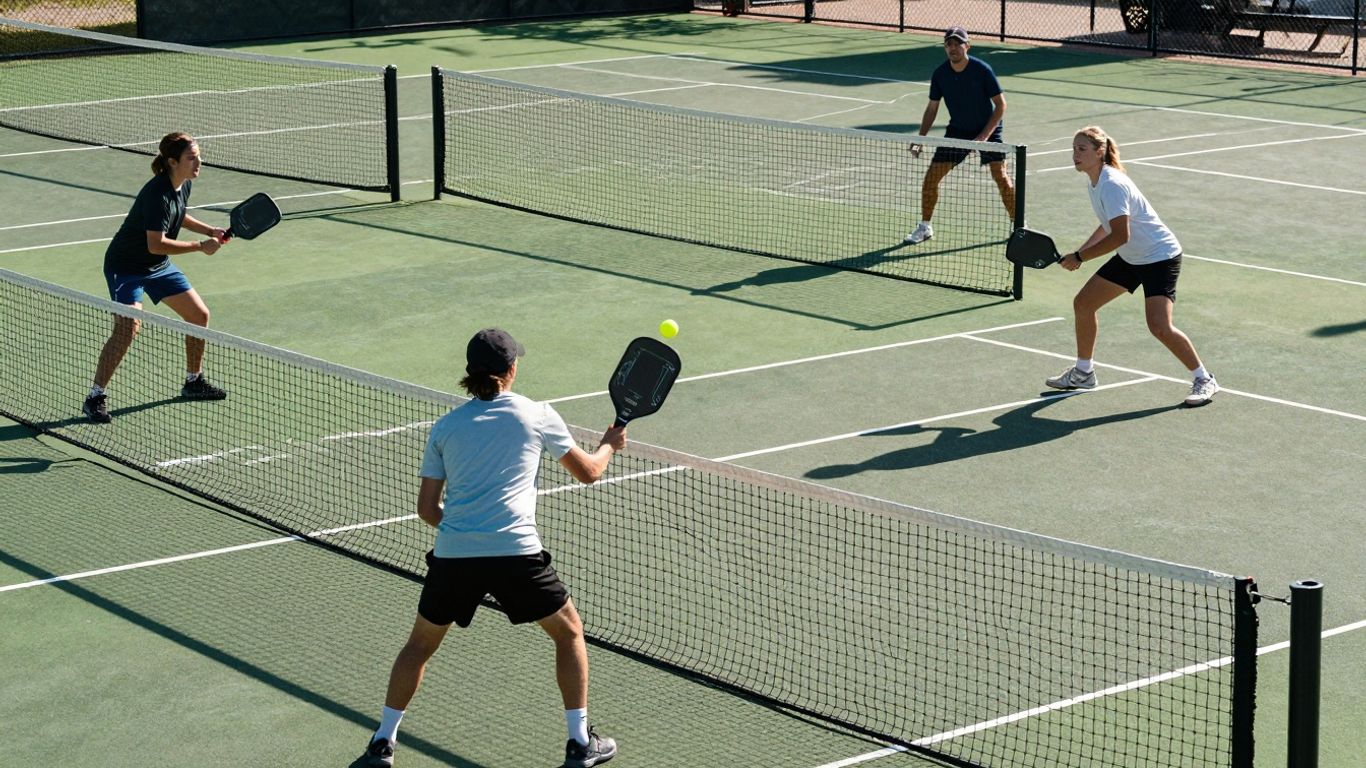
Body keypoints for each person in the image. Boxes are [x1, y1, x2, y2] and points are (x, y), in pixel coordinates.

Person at [363, 328, 627, 768]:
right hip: (516, 554)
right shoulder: (537, 414)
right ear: (511, 369)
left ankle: (382, 743)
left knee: (418, 647)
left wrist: (467, 530)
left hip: (454, 556)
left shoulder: (446, 427)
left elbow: (427, 509)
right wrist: (609, 445)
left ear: (471, 374)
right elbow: (589, 473)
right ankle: (580, 744)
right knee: (569, 634)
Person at [1046, 126, 1219, 407]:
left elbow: (1120, 235)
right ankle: (1083, 372)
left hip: (1159, 256)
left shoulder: (1112, 184)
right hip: (1132, 256)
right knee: (1084, 304)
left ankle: (1204, 378)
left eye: (1082, 149)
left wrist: (1081, 258)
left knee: (1160, 327)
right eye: (1074, 149)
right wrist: (1080, 252)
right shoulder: (1096, 181)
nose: (1075, 155)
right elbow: (1107, 227)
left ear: (1099, 152)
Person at [82, 131, 228, 424]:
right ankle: (95, 397)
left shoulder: (182, 185)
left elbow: (179, 214)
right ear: (173, 162)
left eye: (198, 156)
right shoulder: (156, 193)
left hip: (158, 266)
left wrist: (209, 231)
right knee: (127, 329)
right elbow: (156, 243)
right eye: (192, 157)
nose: (199, 161)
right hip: (126, 267)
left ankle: (193, 381)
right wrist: (201, 247)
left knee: (199, 316)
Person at [905, 26, 1016, 245]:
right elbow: (932, 108)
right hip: (958, 131)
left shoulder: (982, 70)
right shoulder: (940, 74)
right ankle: (925, 226)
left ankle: (1018, 225)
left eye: (958, 44)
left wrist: (984, 136)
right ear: (945, 48)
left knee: (1001, 177)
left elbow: (1001, 105)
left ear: (968, 46)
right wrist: (921, 139)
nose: (953, 48)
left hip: (988, 130)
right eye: (949, 44)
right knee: (931, 178)